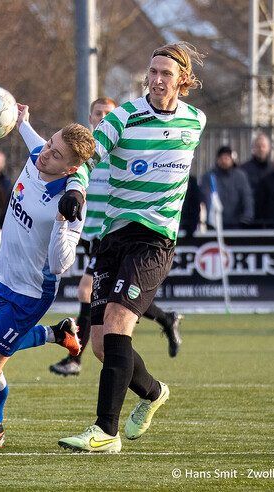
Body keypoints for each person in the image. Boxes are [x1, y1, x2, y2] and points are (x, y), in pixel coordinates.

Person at [58, 42, 206, 453]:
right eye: (153, 71)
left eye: (166, 74)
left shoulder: (196, 121)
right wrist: (74, 188)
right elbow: (89, 156)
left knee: (120, 322)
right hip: (113, 235)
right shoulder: (124, 115)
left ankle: (105, 432)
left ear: (183, 82)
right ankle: (154, 392)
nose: (157, 80)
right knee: (104, 345)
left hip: (155, 238)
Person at [0, 103, 96, 449]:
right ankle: (55, 333)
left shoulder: (70, 202)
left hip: (29, 292)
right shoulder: (37, 156)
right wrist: (22, 120)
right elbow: (33, 139)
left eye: (55, 153)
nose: (46, 153)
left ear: (72, 168)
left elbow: (61, 265)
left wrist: (63, 224)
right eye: (50, 144)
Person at [49, 97, 184, 379]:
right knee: (115, 298)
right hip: (92, 235)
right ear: (90, 118)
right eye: (98, 113)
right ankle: (166, 318)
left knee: (86, 291)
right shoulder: (87, 155)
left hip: (112, 235)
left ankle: (74, 358)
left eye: (108, 114)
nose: (102, 118)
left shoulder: (122, 150)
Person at [201, 146, 253, 228]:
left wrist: (246, 218)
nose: (224, 161)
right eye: (222, 158)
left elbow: (247, 197)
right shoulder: (210, 177)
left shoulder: (240, 176)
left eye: (227, 158)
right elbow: (205, 198)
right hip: (214, 224)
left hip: (237, 224)